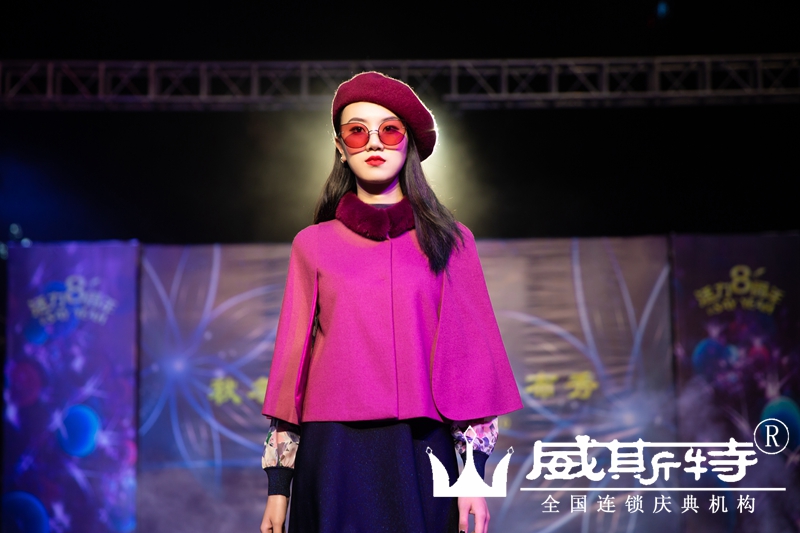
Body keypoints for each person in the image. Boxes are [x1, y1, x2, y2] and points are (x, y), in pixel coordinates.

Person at [259, 71, 522, 533]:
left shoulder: (451, 242)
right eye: (357, 131)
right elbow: (290, 369)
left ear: (408, 144)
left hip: (421, 446)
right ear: (340, 147)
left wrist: (471, 478)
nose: (374, 142)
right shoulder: (312, 244)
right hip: (334, 450)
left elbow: (471, 365)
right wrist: (279, 488)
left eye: (390, 130)